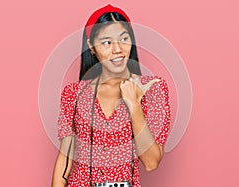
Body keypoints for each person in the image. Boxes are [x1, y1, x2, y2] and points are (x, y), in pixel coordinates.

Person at [52, 4, 171, 187]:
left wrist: (134, 104)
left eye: (124, 39)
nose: (117, 49)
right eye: (107, 42)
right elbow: (65, 160)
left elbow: (151, 162)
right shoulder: (74, 94)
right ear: (91, 47)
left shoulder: (153, 89)